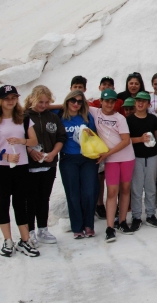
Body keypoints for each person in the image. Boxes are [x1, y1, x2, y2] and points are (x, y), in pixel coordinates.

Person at [0, 85, 40, 257]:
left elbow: (33, 139)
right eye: (7, 98)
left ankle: (24, 240)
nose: (10, 101)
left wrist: (21, 141)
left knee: (21, 203)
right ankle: (7, 240)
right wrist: (3, 156)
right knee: (3, 203)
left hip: (21, 168)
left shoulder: (24, 119)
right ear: (0, 101)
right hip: (2, 169)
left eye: (14, 98)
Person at [24, 85, 67, 246]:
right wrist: (29, 150)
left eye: (46, 102)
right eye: (40, 102)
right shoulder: (23, 117)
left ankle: (43, 228)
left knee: (44, 198)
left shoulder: (53, 117)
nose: (43, 105)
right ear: (32, 99)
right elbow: (16, 138)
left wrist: (54, 153)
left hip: (49, 164)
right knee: (30, 199)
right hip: (29, 165)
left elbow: (61, 138)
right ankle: (30, 231)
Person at [90, 89, 135, 242]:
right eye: (106, 101)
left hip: (126, 157)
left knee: (125, 189)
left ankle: (122, 221)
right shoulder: (95, 112)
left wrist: (107, 154)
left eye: (112, 101)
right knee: (112, 191)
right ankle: (110, 227)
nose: (109, 104)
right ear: (101, 101)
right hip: (111, 160)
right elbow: (71, 102)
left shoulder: (120, 118)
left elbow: (125, 140)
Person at [58, 90, 99, 238]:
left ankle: (89, 225)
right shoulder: (60, 116)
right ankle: (77, 227)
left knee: (89, 192)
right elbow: (42, 107)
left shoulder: (86, 116)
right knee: (73, 194)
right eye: (73, 100)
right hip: (68, 158)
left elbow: (95, 135)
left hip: (87, 158)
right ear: (67, 101)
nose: (76, 104)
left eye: (80, 101)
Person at [126, 92, 157, 230]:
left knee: (150, 187)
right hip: (136, 157)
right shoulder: (129, 120)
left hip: (152, 156)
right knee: (136, 188)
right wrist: (140, 139)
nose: (140, 103)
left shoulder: (152, 118)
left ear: (149, 104)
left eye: (144, 101)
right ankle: (136, 216)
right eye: (138, 101)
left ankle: (150, 214)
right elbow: (125, 139)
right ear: (135, 103)